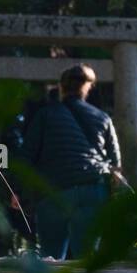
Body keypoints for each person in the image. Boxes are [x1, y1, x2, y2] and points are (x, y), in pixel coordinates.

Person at [17, 64, 123, 260]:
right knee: (86, 259)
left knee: (51, 257)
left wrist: (17, 191)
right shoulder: (103, 118)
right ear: (88, 87)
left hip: (54, 191)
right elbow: (116, 167)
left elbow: (27, 155)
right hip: (92, 189)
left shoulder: (45, 115)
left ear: (62, 87)